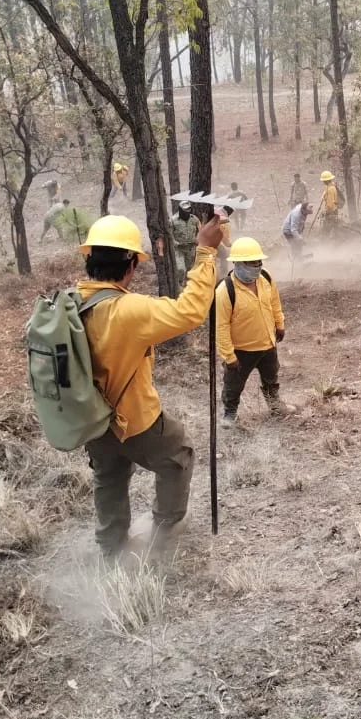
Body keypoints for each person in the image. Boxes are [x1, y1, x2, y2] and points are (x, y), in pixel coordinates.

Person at [77, 213, 225, 562]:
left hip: (88, 419)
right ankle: (165, 526)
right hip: (134, 419)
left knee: (109, 477)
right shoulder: (129, 309)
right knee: (178, 454)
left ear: (90, 260)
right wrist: (206, 252)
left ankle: (111, 547)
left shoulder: (71, 303)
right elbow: (190, 312)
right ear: (131, 265)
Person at [216, 238, 286, 426]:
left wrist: (279, 324)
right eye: (252, 263)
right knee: (234, 384)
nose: (257, 266)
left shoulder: (266, 278)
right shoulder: (225, 291)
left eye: (258, 261)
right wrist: (229, 356)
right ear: (238, 263)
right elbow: (221, 327)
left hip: (267, 343)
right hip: (242, 350)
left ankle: (275, 406)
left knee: (271, 378)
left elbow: (274, 302)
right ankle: (230, 413)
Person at [169, 200, 200, 280]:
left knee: (190, 270)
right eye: (185, 210)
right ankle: (179, 284)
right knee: (181, 269)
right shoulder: (173, 220)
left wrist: (197, 239)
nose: (187, 212)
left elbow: (200, 231)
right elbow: (169, 234)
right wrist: (175, 243)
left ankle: (187, 285)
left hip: (191, 248)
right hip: (179, 249)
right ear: (180, 210)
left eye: (188, 209)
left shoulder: (194, 219)